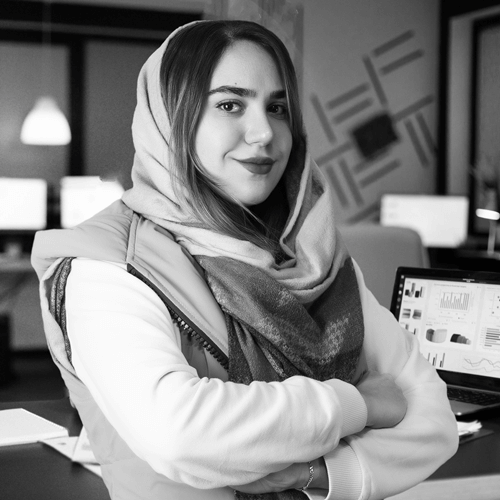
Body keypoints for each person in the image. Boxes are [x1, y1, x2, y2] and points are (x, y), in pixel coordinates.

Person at [31, 20, 458, 500]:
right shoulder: (107, 265)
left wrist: (311, 472)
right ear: (170, 116)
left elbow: (434, 421)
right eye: (229, 104)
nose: (264, 133)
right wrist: (358, 403)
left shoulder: (315, 261)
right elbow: (180, 434)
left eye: (277, 108)